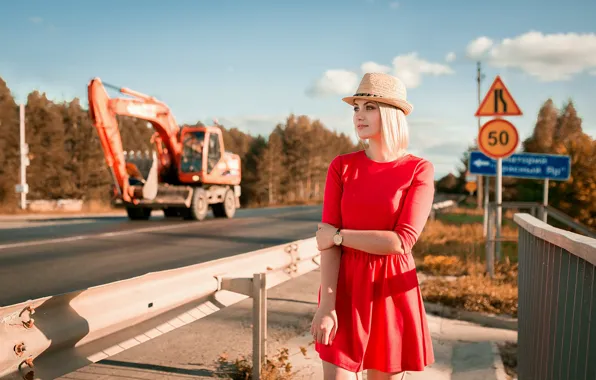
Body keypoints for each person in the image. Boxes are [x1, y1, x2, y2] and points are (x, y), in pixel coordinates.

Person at [311, 72, 436, 380]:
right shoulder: (342, 166)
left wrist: (339, 237)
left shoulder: (418, 169)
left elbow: (401, 241)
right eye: (356, 108)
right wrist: (327, 305)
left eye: (370, 107)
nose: (359, 115)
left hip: (390, 291)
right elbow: (325, 244)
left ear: (392, 114)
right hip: (343, 286)